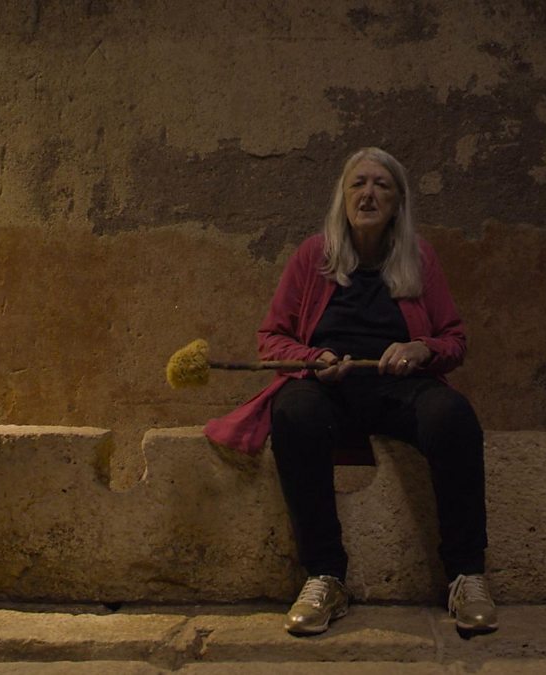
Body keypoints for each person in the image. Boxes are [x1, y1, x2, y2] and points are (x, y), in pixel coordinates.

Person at [204, 147, 495, 636]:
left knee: (453, 415)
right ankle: (324, 576)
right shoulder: (313, 257)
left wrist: (421, 349)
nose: (368, 194)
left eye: (382, 184)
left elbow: (454, 340)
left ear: (398, 201)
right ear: (342, 196)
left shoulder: (419, 258)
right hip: (329, 392)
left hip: (401, 390)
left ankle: (466, 575)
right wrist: (313, 359)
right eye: (358, 183)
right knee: (293, 412)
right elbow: (272, 337)